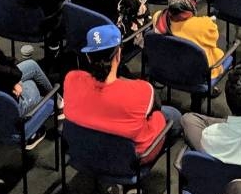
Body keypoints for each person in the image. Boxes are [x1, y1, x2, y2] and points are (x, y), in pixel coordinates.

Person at [63, 24, 182, 172]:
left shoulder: (71, 79)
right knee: (172, 115)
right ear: (118, 55)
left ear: (87, 56)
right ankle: (127, 181)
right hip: (130, 160)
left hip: (86, 152)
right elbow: (156, 109)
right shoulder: (142, 91)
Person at [151, 0, 224, 110]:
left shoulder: (158, 18)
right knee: (212, 52)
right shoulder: (204, 25)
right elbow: (214, 39)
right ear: (193, 2)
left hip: (167, 68)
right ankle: (197, 97)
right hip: (194, 74)